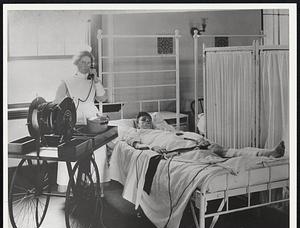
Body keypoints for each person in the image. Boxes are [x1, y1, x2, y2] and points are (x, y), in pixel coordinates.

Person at [54, 49, 109, 193]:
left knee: (99, 150)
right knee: (70, 149)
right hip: (73, 116)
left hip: (92, 116)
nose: (85, 65)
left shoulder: (94, 80)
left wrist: (96, 80)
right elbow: (57, 101)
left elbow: (103, 98)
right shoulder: (67, 80)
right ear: (77, 63)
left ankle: (98, 185)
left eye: (89, 62)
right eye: (83, 62)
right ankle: (68, 186)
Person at [124, 111, 285, 159]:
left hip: (189, 141)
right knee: (216, 155)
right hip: (178, 148)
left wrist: (197, 138)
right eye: (142, 120)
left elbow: (178, 134)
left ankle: (268, 153)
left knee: (227, 150)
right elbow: (133, 143)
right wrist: (151, 147)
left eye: (148, 119)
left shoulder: (164, 129)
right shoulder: (138, 133)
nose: (146, 122)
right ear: (137, 123)